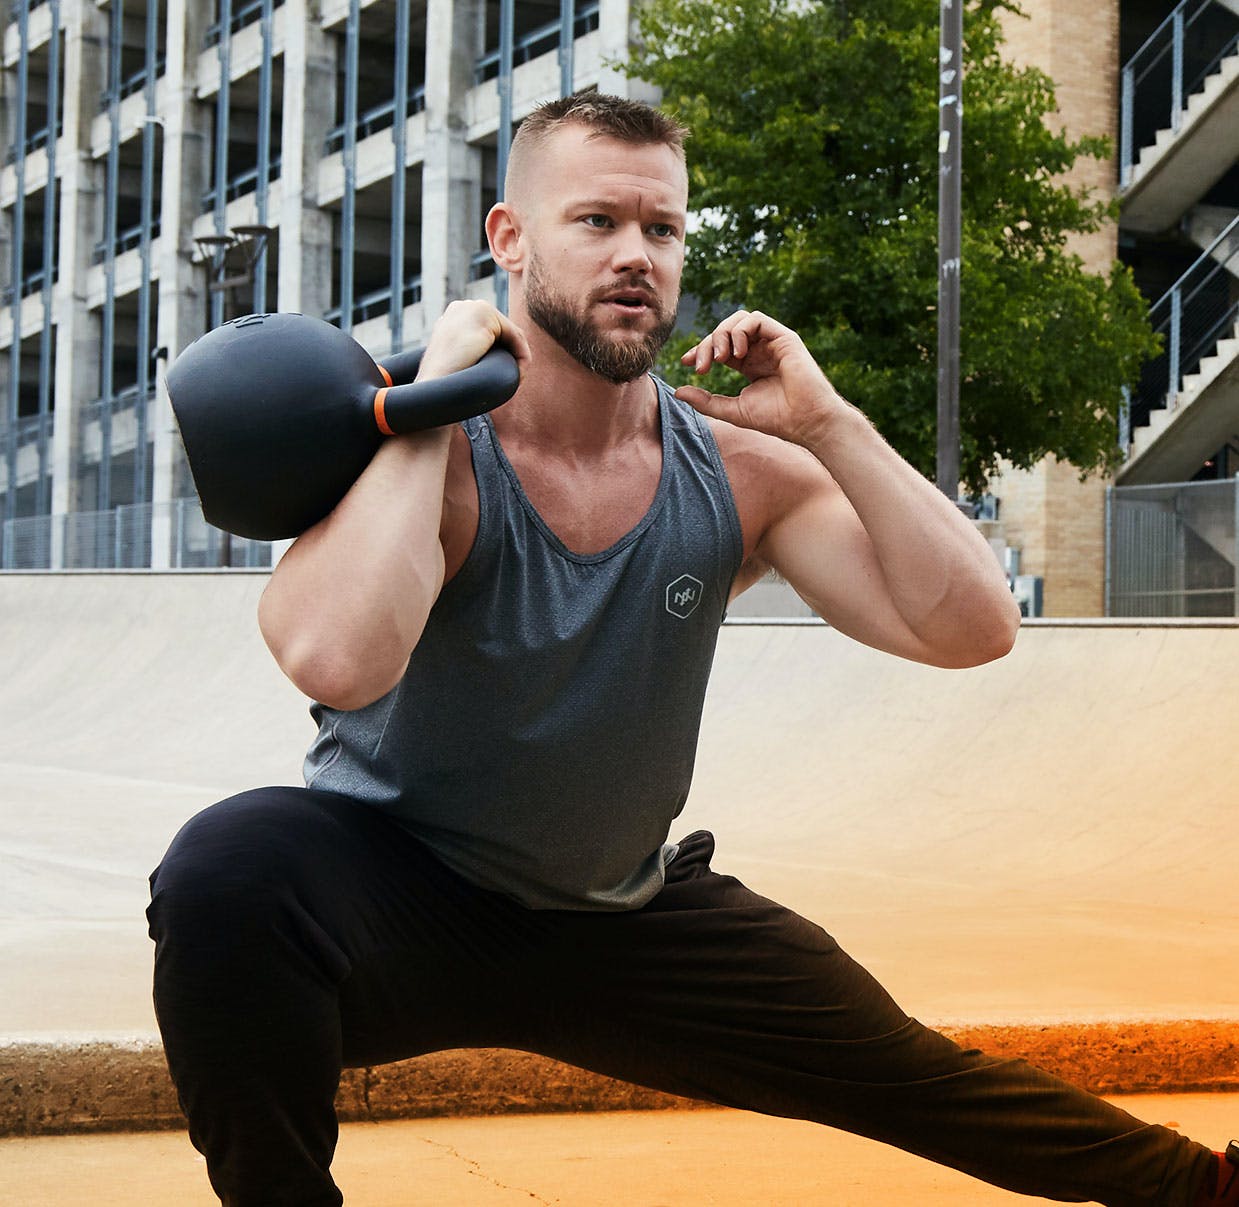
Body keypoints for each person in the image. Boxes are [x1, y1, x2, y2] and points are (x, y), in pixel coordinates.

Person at [147, 92, 1237, 1207]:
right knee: (229, 869)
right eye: (597, 222)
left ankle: (1202, 1187)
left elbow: (972, 630)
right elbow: (335, 659)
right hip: (395, 903)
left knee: (914, 1073)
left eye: (662, 230)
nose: (637, 256)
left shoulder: (741, 467)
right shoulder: (429, 448)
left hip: (625, 914)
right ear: (509, 240)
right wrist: (433, 398)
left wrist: (828, 425)